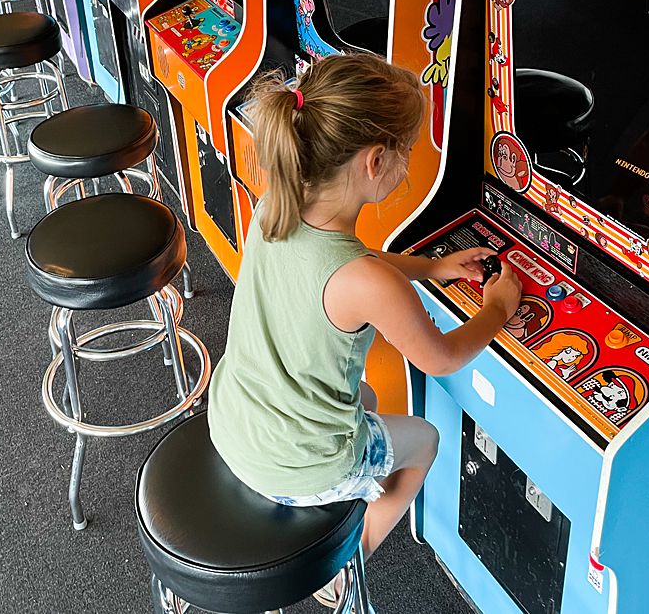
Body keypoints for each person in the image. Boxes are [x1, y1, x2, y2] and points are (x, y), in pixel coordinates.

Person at [207, 54, 522, 606]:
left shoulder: (275, 206)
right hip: (296, 464)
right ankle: (343, 566)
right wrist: (496, 309)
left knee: (368, 397)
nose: (409, 163)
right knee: (424, 440)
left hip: (233, 421)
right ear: (376, 161)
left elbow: (357, 266)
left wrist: (432, 267)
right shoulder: (366, 280)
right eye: (408, 151)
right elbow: (442, 358)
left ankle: (326, 496)